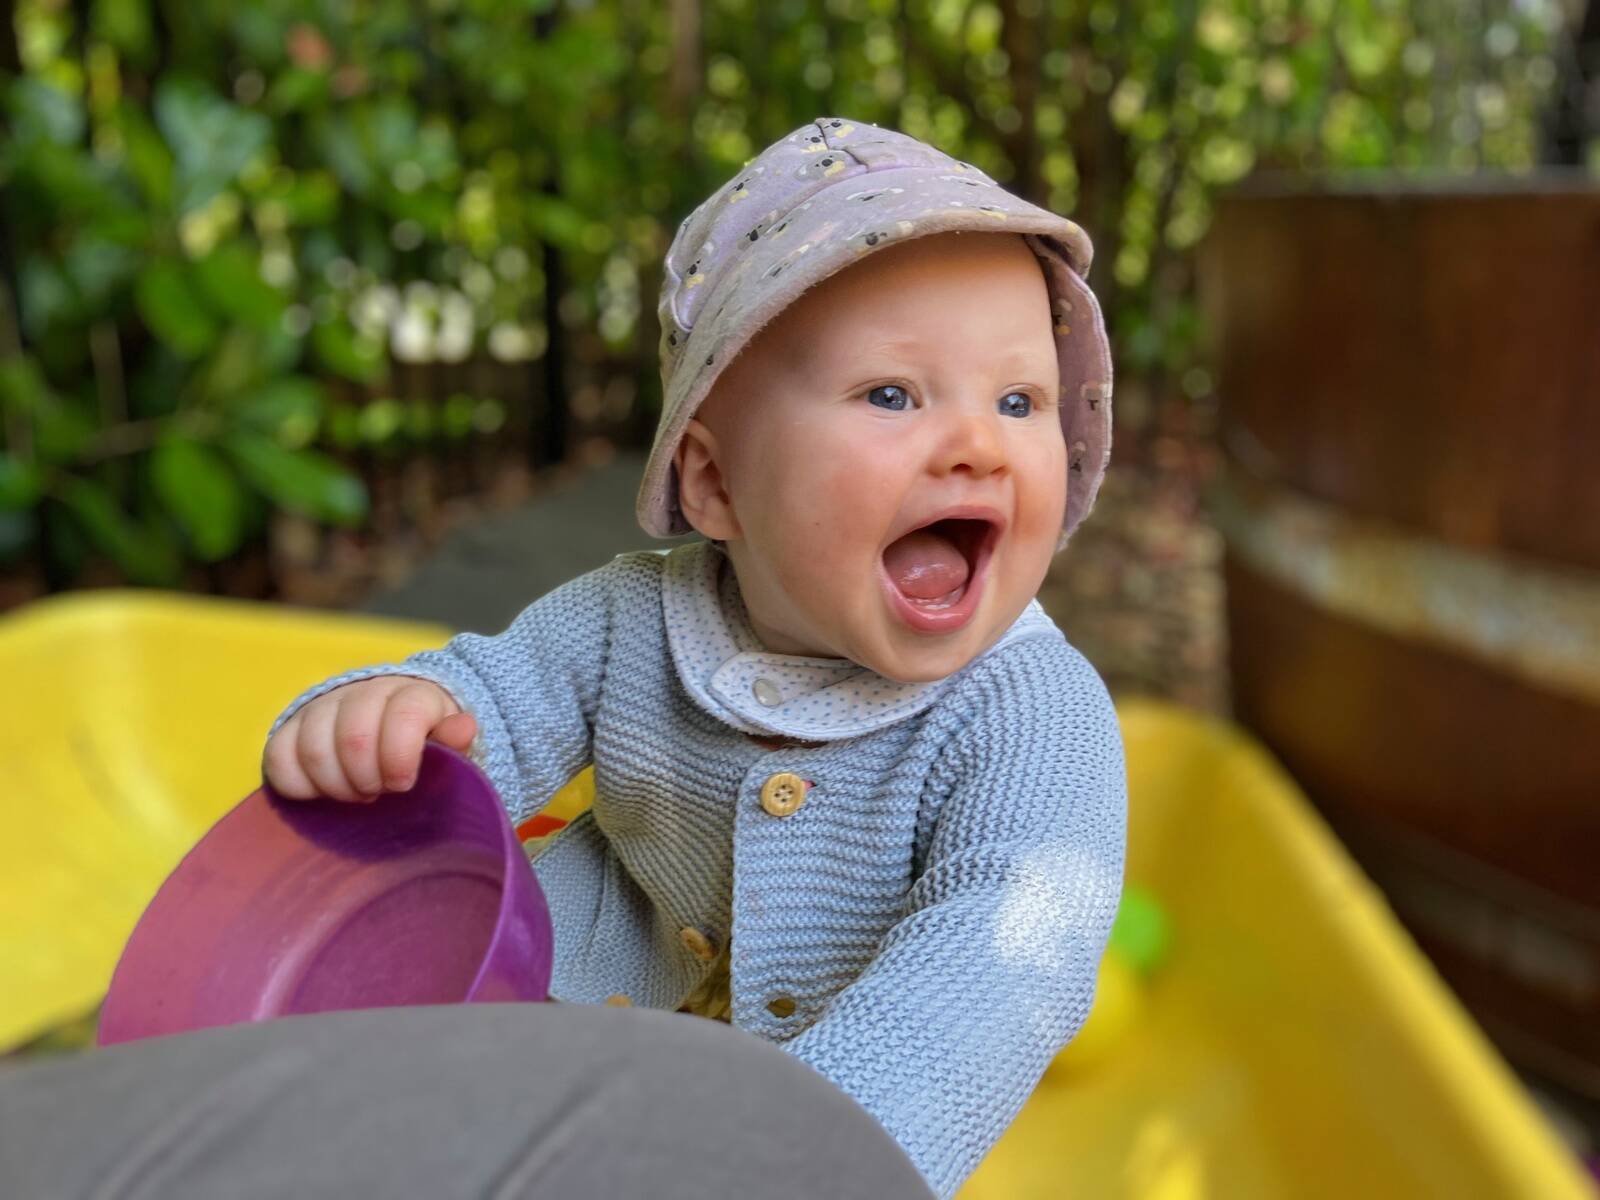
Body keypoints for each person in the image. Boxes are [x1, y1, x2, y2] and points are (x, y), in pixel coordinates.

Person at [261, 116, 1127, 1200]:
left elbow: (992, 972)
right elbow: (485, 703)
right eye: (893, 394)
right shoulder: (630, 622)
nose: (977, 443)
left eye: (1019, 400)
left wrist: (811, 1153)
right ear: (716, 487)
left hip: (824, 1119)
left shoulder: (1031, 715)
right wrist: (390, 714)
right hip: (570, 1025)